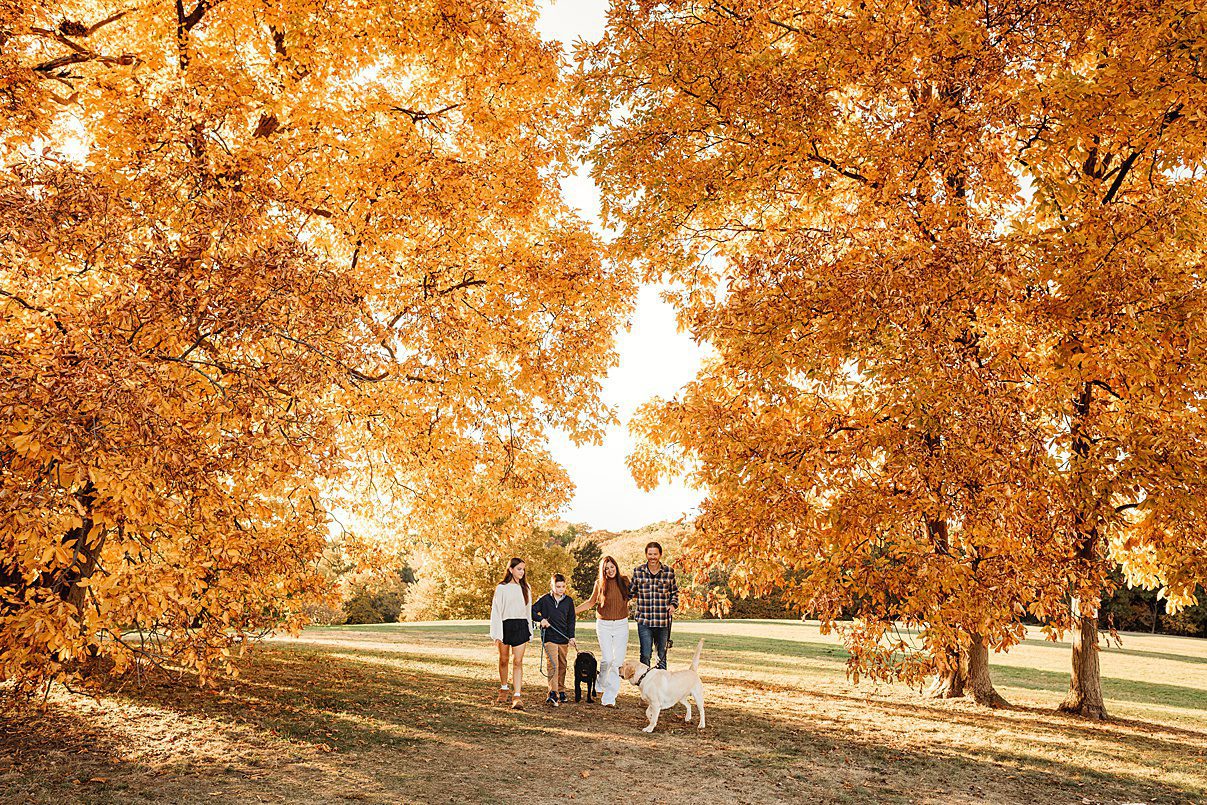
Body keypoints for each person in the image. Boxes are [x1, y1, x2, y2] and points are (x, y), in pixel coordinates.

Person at [575, 555, 631, 707]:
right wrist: (571, 611)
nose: (610, 570)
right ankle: (600, 681)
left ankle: (609, 698)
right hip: (604, 625)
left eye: (612, 567)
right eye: (607, 568)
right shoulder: (599, 584)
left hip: (621, 625)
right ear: (603, 571)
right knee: (607, 659)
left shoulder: (625, 581)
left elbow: (638, 596)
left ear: (616, 567)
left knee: (617, 662)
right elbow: (590, 603)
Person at [489, 557, 532, 710]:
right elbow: (496, 611)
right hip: (505, 626)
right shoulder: (502, 588)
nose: (522, 572)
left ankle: (517, 696)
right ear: (511, 569)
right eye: (519, 569)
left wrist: (530, 631)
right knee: (504, 659)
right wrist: (497, 633)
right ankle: (504, 687)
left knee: (518, 662)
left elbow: (528, 611)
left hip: (520, 626)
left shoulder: (526, 587)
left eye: (523, 569)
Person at [629, 541, 678, 670]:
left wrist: (673, 605)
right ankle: (645, 684)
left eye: (655, 554)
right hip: (644, 621)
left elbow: (674, 592)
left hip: (662, 621)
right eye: (650, 554)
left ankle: (662, 687)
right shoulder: (638, 572)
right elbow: (630, 592)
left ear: (660, 555)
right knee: (645, 654)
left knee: (661, 655)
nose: (652, 557)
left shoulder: (669, 572)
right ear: (646, 555)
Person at [531, 573, 577, 706]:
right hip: (549, 637)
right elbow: (531, 611)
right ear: (552, 586)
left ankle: (561, 690)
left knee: (562, 665)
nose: (560, 589)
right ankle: (553, 693)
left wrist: (571, 636)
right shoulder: (544, 599)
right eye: (558, 586)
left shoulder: (568, 601)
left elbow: (571, 620)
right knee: (553, 664)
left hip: (563, 638)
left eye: (563, 586)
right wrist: (541, 619)